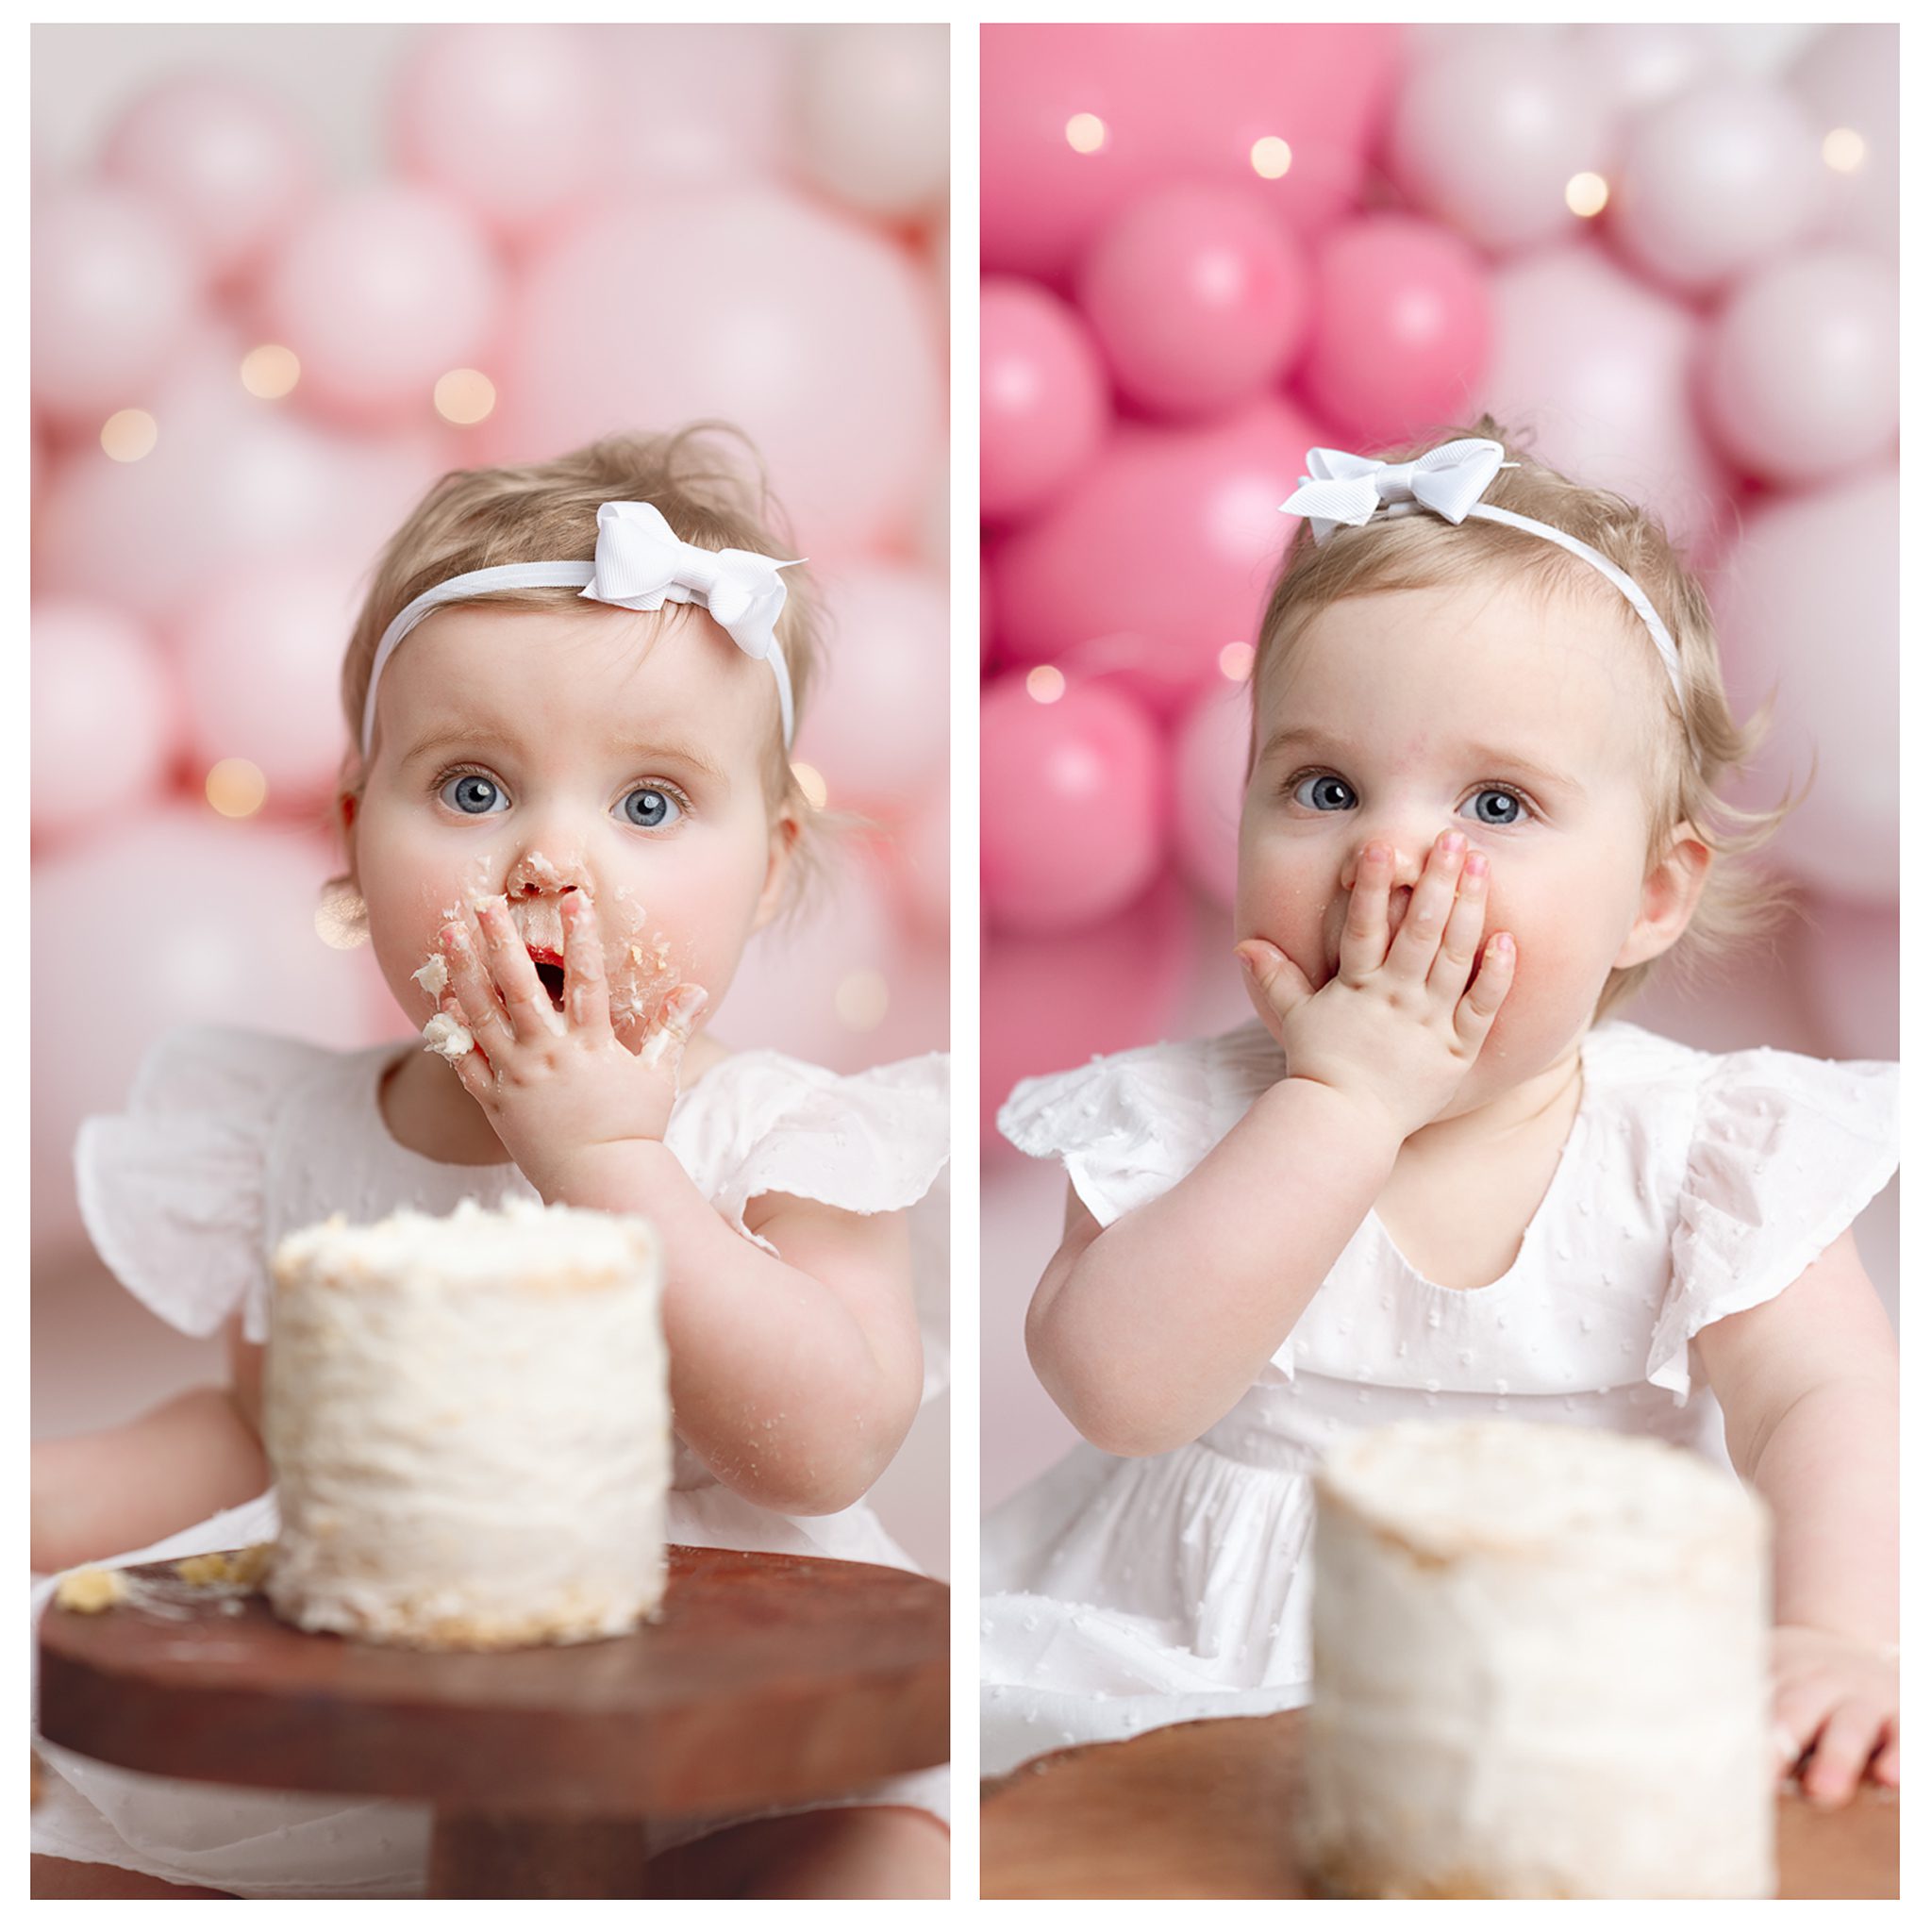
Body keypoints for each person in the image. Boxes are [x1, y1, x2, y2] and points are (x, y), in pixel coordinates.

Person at [31, 426, 950, 1899]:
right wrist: (49, 1497)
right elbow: (267, 1435)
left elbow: (824, 1443)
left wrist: (609, 1158)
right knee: (77, 1853)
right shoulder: (304, 1127)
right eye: (471, 790)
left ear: (774, 864)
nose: (550, 861)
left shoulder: (780, 1135)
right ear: (351, 832)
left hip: (724, 1723)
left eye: (648, 805)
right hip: (393, 1703)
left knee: (886, 1873)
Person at [982, 421, 1899, 1812]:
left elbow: (1825, 1403)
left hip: (1569, 1683)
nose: (1393, 856)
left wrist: (1840, 1634)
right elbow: (1122, 1394)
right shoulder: (1172, 1120)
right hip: (1190, 1690)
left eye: (1496, 801)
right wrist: (1342, 1100)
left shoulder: (1697, 1148)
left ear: (1652, 894)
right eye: (1325, 788)